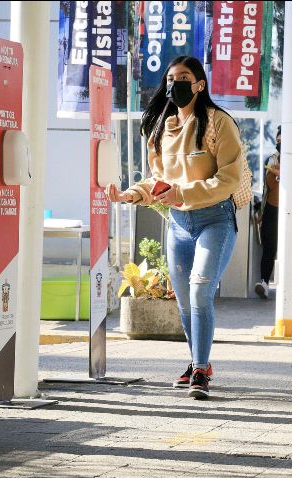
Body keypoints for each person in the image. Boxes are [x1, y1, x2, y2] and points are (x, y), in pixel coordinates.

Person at [106, 56, 243, 399]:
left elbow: (229, 178)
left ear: (200, 84)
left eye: (184, 77)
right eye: (170, 78)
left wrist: (182, 192)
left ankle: (200, 369)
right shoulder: (161, 128)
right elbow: (158, 181)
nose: (175, 84)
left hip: (216, 219)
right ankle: (197, 361)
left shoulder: (218, 123)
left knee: (200, 292)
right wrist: (131, 194)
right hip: (179, 224)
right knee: (183, 300)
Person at [253, 125, 292, 299]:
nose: (280, 142)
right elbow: (265, 189)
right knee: (269, 248)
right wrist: (261, 211)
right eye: (278, 140)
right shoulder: (270, 159)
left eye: (283, 140)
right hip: (272, 209)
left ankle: (289, 287)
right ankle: (264, 282)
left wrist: (283, 174)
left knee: (290, 249)